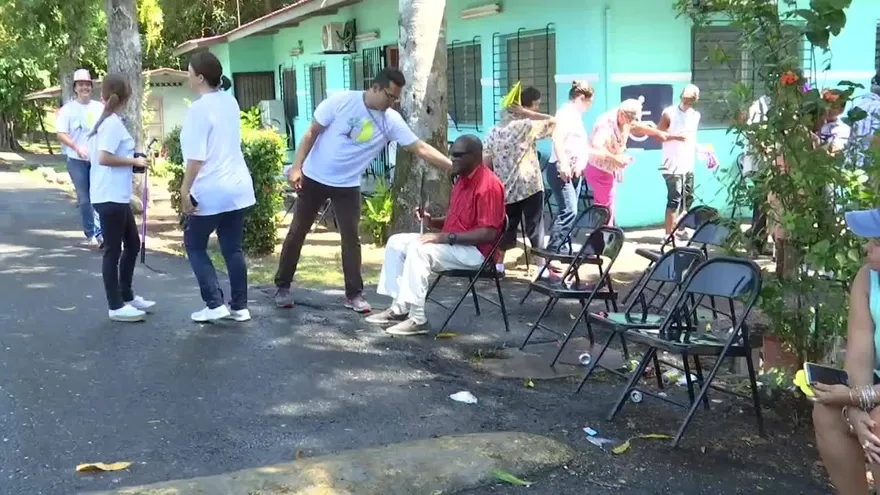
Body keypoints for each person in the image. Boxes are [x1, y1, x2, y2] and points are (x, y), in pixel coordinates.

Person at [273, 68, 453, 312]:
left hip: (347, 185)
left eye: (396, 98)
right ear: (375, 88)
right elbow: (310, 133)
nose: (392, 103)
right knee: (297, 232)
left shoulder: (390, 121)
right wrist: (296, 167)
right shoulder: (342, 101)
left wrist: (454, 167)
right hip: (315, 177)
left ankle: (354, 295)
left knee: (351, 238)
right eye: (390, 96)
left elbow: (420, 148)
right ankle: (282, 286)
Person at [364, 135, 505, 336]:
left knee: (420, 249)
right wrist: (432, 222)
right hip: (457, 246)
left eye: (457, 155)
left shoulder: (489, 185)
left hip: (478, 254)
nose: (452, 159)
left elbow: (489, 233)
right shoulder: (462, 180)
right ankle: (399, 308)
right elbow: (458, 220)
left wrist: (444, 238)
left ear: (475, 156)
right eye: (451, 154)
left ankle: (417, 318)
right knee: (396, 242)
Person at [179, 52, 256, 323]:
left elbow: (196, 158)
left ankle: (214, 303)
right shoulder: (230, 102)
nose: (187, 76)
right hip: (237, 188)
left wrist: (184, 190)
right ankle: (240, 306)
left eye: (189, 72)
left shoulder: (198, 109)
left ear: (200, 77)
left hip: (210, 190)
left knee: (195, 245)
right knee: (232, 249)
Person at [812, 207, 880, 495]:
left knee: (878, 423)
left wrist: (857, 397)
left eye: (876, 242)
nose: (866, 248)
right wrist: (853, 408)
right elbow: (859, 353)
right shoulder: (867, 278)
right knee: (827, 411)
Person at [87, 74, 154, 322]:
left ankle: (126, 295)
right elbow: (104, 157)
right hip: (110, 197)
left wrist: (132, 159)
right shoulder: (111, 123)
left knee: (133, 244)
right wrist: (134, 160)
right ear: (128, 97)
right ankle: (115, 306)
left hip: (114, 195)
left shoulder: (105, 121)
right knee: (113, 250)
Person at [483, 86, 555, 275]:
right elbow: (554, 121)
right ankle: (541, 267)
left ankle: (499, 266)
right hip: (529, 186)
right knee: (535, 227)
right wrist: (527, 114)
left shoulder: (493, 132)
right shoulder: (526, 126)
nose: (537, 109)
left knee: (506, 226)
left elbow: (487, 160)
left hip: (506, 189)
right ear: (519, 108)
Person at [585, 97, 679, 226]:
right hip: (599, 169)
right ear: (622, 113)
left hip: (609, 168)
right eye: (629, 119)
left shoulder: (625, 118)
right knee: (606, 206)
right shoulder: (605, 124)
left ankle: (605, 233)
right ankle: (604, 236)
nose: (630, 123)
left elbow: (636, 127)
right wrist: (615, 158)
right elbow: (596, 146)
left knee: (607, 204)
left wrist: (657, 132)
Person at [544, 81, 595, 255]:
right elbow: (557, 138)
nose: (590, 106)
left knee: (569, 211)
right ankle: (554, 250)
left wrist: (580, 163)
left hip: (574, 170)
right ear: (582, 98)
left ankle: (563, 248)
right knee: (569, 210)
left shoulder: (575, 116)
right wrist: (564, 163)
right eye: (590, 102)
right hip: (561, 170)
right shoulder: (566, 114)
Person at [57, 69, 104, 248]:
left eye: (87, 84)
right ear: (75, 88)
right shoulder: (68, 110)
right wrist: (77, 147)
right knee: (85, 198)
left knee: (98, 195)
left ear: (91, 87)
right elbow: (61, 133)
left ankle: (101, 234)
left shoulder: (99, 108)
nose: (84, 87)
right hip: (76, 159)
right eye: (81, 84)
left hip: (97, 159)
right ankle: (90, 232)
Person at [657, 84, 702, 239]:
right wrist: (675, 137)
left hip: (688, 163)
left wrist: (702, 150)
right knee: (674, 198)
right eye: (685, 99)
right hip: (669, 164)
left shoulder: (695, 115)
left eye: (690, 100)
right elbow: (657, 135)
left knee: (688, 197)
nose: (687, 102)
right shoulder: (668, 113)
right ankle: (668, 233)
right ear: (681, 96)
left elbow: (693, 138)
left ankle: (681, 228)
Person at [850, 71, 880, 156]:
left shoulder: (858, 104)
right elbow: (877, 141)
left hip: (852, 162)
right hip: (870, 164)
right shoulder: (878, 107)